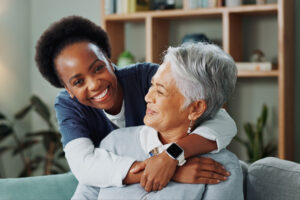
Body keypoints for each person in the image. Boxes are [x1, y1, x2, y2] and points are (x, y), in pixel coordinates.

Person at [34, 16, 236, 191]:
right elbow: (84, 165)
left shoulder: (147, 77)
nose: (94, 84)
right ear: (68, 90)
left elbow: (221, 120)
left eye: (98, 68)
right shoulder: (69, 106)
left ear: (108, 59)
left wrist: (171, 157)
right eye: (78, 82)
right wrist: (169, 171)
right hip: (111, 188)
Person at [73, 42, 243, 200]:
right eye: (152, 85)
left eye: (160, 92)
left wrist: (172, 157)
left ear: (196, 109)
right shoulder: (115, 143)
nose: (147, 97)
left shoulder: (221, 169)